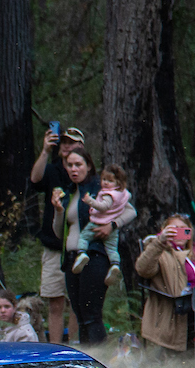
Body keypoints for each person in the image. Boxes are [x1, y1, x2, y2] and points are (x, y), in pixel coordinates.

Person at [51, 145, 136, 345]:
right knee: (80, 316)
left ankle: (101, 364)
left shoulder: (101, 187)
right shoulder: (69, 192)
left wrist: (112, 225)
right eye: (69, 165)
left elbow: (131, 211)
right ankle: (88, 362)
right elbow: (58, 232)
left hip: (95, 256)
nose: (73, 169)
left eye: (78, 164)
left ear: (88, 166)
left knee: (91, 314)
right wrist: (58, 210)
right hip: (72, 259)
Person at [134, 214, 195, 352]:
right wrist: (160, 242)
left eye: (184, 229)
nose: (179, 233)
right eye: (174, 229)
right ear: (164, 230)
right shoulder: (159, 252)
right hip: (180, 308)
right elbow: (143, 269)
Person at [29, 124, 84, 343]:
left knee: (77, 302)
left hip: (80, 246)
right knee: (55, 302)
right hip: (53, 246)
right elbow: (35, 180)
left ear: (81, 147)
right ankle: (55, 351)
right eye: (63, 142)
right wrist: (44, 151)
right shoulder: (52, 170)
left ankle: (74, 348)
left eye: (71, 142)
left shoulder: (86, 175)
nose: (66, 146)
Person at [73, 164, 131, 288]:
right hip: (112, 230)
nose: (105, 183)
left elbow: (104, 206)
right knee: (112, 249)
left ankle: (82, 253)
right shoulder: (122, 194)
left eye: (110, 181)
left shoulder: (108, 195)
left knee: (83, 237)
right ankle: (115, 265)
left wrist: (90, 201)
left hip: (98, 224)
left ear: (118, 183)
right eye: (104, 179)